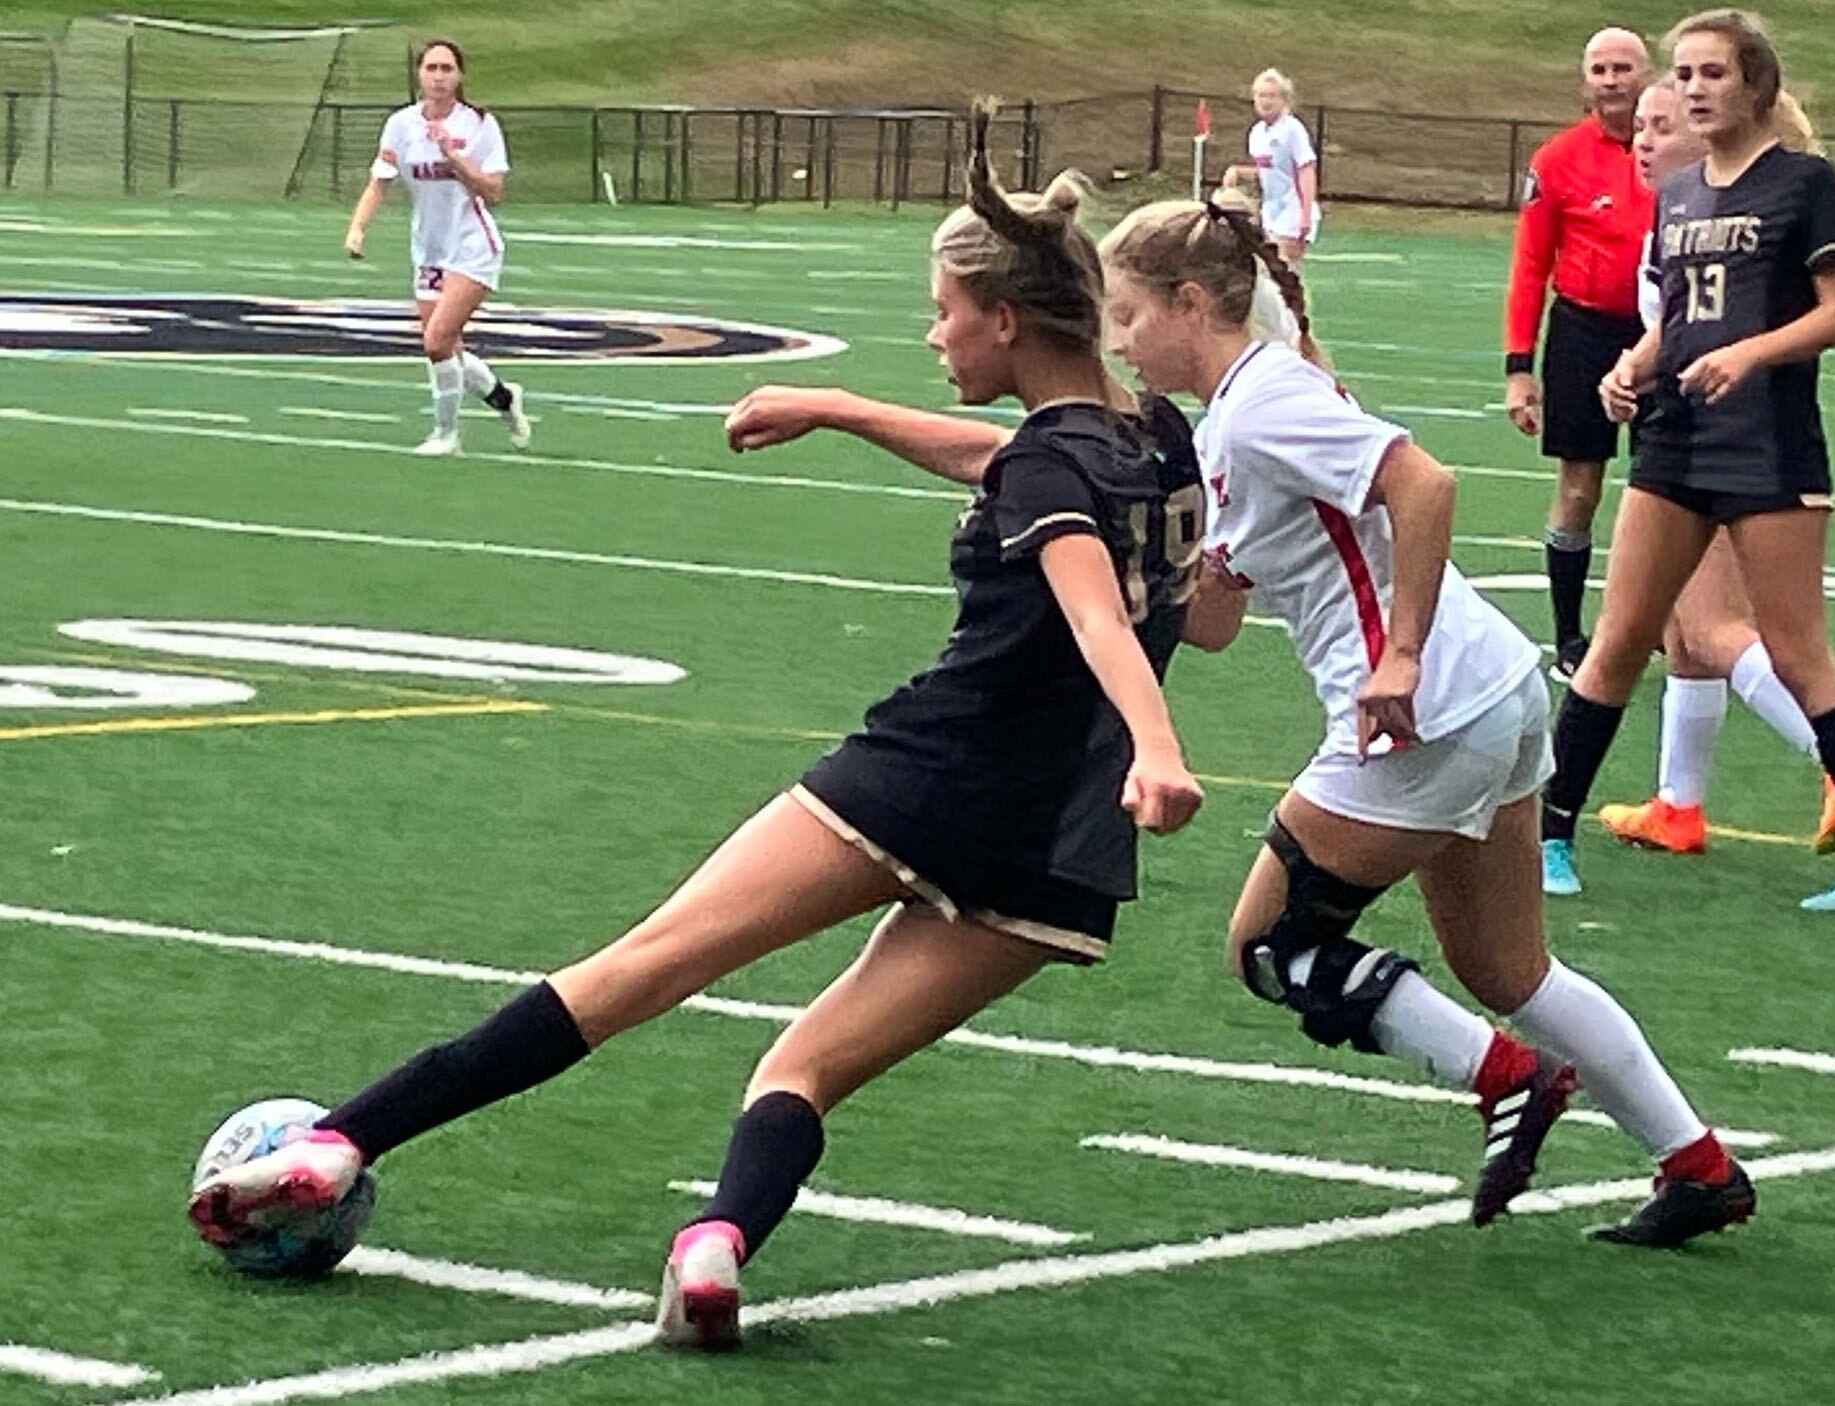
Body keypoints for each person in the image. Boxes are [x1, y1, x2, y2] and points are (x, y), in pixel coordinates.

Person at [189, 116, 1210, 1351]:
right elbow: (1038, 481)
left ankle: (333, 1142)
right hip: (1057, 845)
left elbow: (1089, 597)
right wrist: (841, 407)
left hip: (922, 775)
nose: (932, 333)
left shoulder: (1053, 480)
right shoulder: (1154, 440)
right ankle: (714, 1244)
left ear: (1002, 318)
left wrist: (1158, 741)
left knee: (635, 971)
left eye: (941, 309)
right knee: (804, 1068)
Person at [1096, 191, 1753, 1248]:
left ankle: (1505, 1078)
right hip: (1485, 689)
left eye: (1127, 314)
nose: (1117, 340)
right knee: (1508, 970)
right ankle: (1698, 1164)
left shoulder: (1264, 402)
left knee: (1269, 945)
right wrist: (1131, 576)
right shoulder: (1244, 406)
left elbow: (1422, 481)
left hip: (1422, 708)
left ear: (1187, 302)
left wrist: (1396, 652)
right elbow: (1217, 620)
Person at [1545, 9, 1835, 914]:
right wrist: (1630, 367)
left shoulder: (1804, 184)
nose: (1690, 90)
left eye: (1710, 73)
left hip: (1766, 441)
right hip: (1675, 437)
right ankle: (1550, 834)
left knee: (1799, 654)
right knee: (1617, 643)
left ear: (1754, 82)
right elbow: (1677, 318)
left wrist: (1751, 354)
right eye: (1681, 75)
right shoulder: (1678, 194)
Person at [1597, 83, 1835, 858]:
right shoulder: (1677, 215)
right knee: (1683, 635)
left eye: (1662, 126)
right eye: (1642, 127)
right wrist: (1630, 372)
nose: (1644, 141)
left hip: (1726, 442)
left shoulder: (1737, 210)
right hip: (1682, 425)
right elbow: (1670, 332)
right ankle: (1677, 805)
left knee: (1711, 627)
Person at [1503, 27, 1653, 678]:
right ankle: (1569, 636)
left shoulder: (1676, 150)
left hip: (1661, 333)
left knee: (1663, 489)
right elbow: (1530, 264)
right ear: (1583, 79)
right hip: (1582, 333)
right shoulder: (1558, 158)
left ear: (1646, 74)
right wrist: (1518, 369)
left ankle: (1659, 624)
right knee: (1579, 487)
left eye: (1623, 67)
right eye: (1600, 68)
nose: (1612, 78)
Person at [344, 39, 530, 456]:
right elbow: (380, 181)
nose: (439, 76)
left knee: (436, 340)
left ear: (459, 75)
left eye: (447, 69)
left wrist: (453, 155)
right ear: (420, 74)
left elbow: (493, 190)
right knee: (446, 346)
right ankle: (503, 398)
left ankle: (446, 434)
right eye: (432, 68)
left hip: (472, 245)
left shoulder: (479, 124)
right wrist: (357, 229)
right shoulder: (401, 125)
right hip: (428, 248)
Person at [1223, 69, 1320, 269]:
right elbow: (1267, 170)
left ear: (1283, 99)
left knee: (1282, 272)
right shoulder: (1257, 133)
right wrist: (1239, 172)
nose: (1266, 101)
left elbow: (1306, 170)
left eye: (1272, 96)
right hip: (1271, 212)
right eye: (1261, 95)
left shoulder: (1292, 129)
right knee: (1267, 272)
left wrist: (1305, 215)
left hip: (1292, 209)